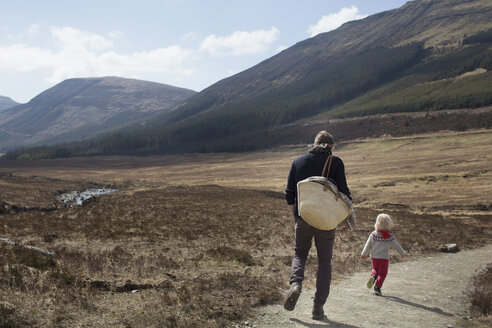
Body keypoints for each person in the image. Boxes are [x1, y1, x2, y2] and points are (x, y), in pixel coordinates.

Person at [284, 130, 352, 320]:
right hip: (326, 221)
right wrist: (342, 219)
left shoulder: (297, 162)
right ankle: (318, 308)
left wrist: (296, 217)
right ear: (331, 146)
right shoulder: (336, 162)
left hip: (303, 217)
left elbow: (290, 194)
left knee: (300, 253)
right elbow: (345, 194)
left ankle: (296, 284)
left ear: (314, 144)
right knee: (324, 262)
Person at [360, 213, 407, 296]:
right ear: (389, 225)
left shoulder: (373, 234)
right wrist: (402, 253)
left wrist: (363, 254)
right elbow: (396, 245)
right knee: (382, 273)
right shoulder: (389, 236)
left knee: (375, 269)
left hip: (374, 257)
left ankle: (373, 276)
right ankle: (377, 287)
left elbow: (368, 245)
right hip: (383, 258)